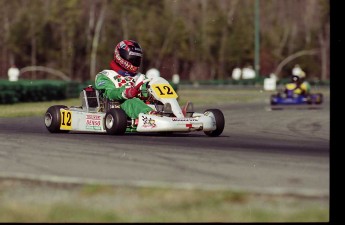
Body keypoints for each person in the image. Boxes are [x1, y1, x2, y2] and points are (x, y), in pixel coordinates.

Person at [94, 40, 156, 119]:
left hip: (141, 106)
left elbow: (146, 90)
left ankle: (172, 114)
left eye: (137, 59)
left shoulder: (141, 77)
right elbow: (109, 93)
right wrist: (125, 92)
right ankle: (150, 115)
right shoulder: (105, 75)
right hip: (117, 108)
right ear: (120, 56)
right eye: (132, 58)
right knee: (131, 101)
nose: (134, 61)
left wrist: (151, 93)